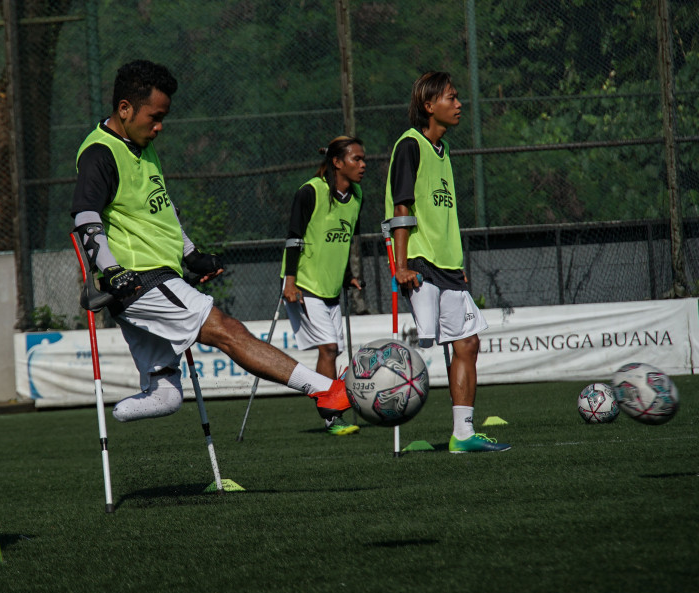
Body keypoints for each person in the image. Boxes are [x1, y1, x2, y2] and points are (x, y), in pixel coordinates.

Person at [71, 59, 351, 425]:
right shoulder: (100, 153)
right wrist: (110, 271)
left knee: (166, 394)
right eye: (154, 117)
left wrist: (191, 254)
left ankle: (117, 414)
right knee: (226, 331)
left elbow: (162, 208)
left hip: (159, 273)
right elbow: (85, 217)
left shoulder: (141, 145)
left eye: (163, 118)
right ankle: (325, 389)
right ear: (125, 109)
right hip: (140, 279)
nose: (159, 127)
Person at [385, 71, 509, 453]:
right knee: (420, 348)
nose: (459, 105)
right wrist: (400, 265)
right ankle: (362, 392)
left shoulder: (445, 150)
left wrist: (456, 259)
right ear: (429, 105)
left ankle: (463, 435)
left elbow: (444, 214)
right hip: (419, 262)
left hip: (448, 265)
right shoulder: (410, 145)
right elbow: (402, 207)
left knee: (468, 343)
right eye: (451, 98)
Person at [281, 136, 366, 435]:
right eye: (356, 159)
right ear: (337, 162)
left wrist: (346, 277)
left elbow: (343, 243)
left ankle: (332, 407)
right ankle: (332, 416)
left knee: (334, 350)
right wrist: (289, 281)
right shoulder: (310, 191)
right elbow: (293, 238)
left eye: (363, 158)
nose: (363, 165)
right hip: (304, 284)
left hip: (331, 287)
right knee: (329, 349)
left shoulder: (356, 196)